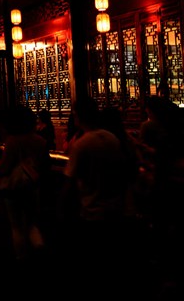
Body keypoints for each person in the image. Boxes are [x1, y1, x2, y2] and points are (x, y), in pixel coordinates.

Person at [59, 98, 132, 291]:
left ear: (77, 116)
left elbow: (69, 181)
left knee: (94, 261)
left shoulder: (82, 144)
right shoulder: (111, 138)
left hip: (92, 209)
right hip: (116, 206)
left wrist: (62, 210)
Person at [0, 106, 48, 263]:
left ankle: (21, 256)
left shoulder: (12, 141)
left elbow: (5, 167)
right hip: (32, 186)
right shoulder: (40, 141)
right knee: (32, 223)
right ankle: (38, 247)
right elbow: (44, 165)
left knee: (16, 225)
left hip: (13, 189)